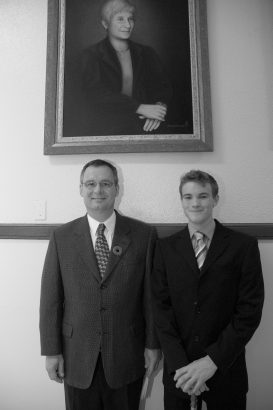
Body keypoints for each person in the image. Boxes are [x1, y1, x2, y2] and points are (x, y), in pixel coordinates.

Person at [39, 159, 160, 410]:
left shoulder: (143, 236)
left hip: (127, 355)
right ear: (80, 189)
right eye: (91, 184)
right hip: (77, 357)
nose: (98, 190)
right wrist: (52, 351)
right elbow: (50, 300)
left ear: (117, 188)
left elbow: (150, 298)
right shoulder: (61, 237)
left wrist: (152, 344)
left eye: (106, 183)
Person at [152, 170, 264, 410]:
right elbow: (160, 310)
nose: (195, 203)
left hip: (225, 368)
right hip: (178, 373)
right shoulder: (164, 249)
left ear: (215, 199)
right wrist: (182, 366)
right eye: (188, 197)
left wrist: (212, 362)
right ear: (181, 200)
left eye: (203, 196)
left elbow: (249, 311)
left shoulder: (243, 246)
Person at [82, 0, 172, 135]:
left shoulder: (147, 53)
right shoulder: (91, 55)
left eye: (130, 19)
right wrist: (139, 108)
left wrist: (159, 108)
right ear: (105, 24)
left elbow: (163, 86)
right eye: (120, 19)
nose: (128, 24)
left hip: (144, 125)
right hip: (106, 126)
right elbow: (95, 94)